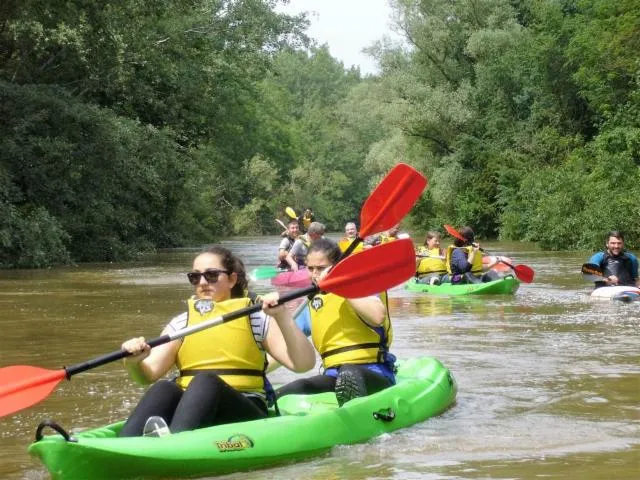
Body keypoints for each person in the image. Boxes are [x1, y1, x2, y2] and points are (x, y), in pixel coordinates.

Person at [118, 246, 316, 437]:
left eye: (211, 275)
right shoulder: (182, 323)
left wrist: (281, 316)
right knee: (164, 388)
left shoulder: (256, 319)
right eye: (195, 277)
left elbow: (303, 364)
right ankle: (126, 444)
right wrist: (134, 361)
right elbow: (146, 376)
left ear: (231, 279)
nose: (202, 282)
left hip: (245, 411)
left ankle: (173, 443)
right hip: (194, 408)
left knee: (206, 381)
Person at [276, 238, 395, 407]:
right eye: (310, 268)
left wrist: (340, 285)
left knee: (348, 374)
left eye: (321, 268)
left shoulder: (361, 287)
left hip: (374, 372)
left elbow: (377, 317)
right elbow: (283, 349)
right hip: (333, 377)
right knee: (294, 388)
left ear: (336, 267)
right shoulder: (312, 302)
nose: (315, 274)